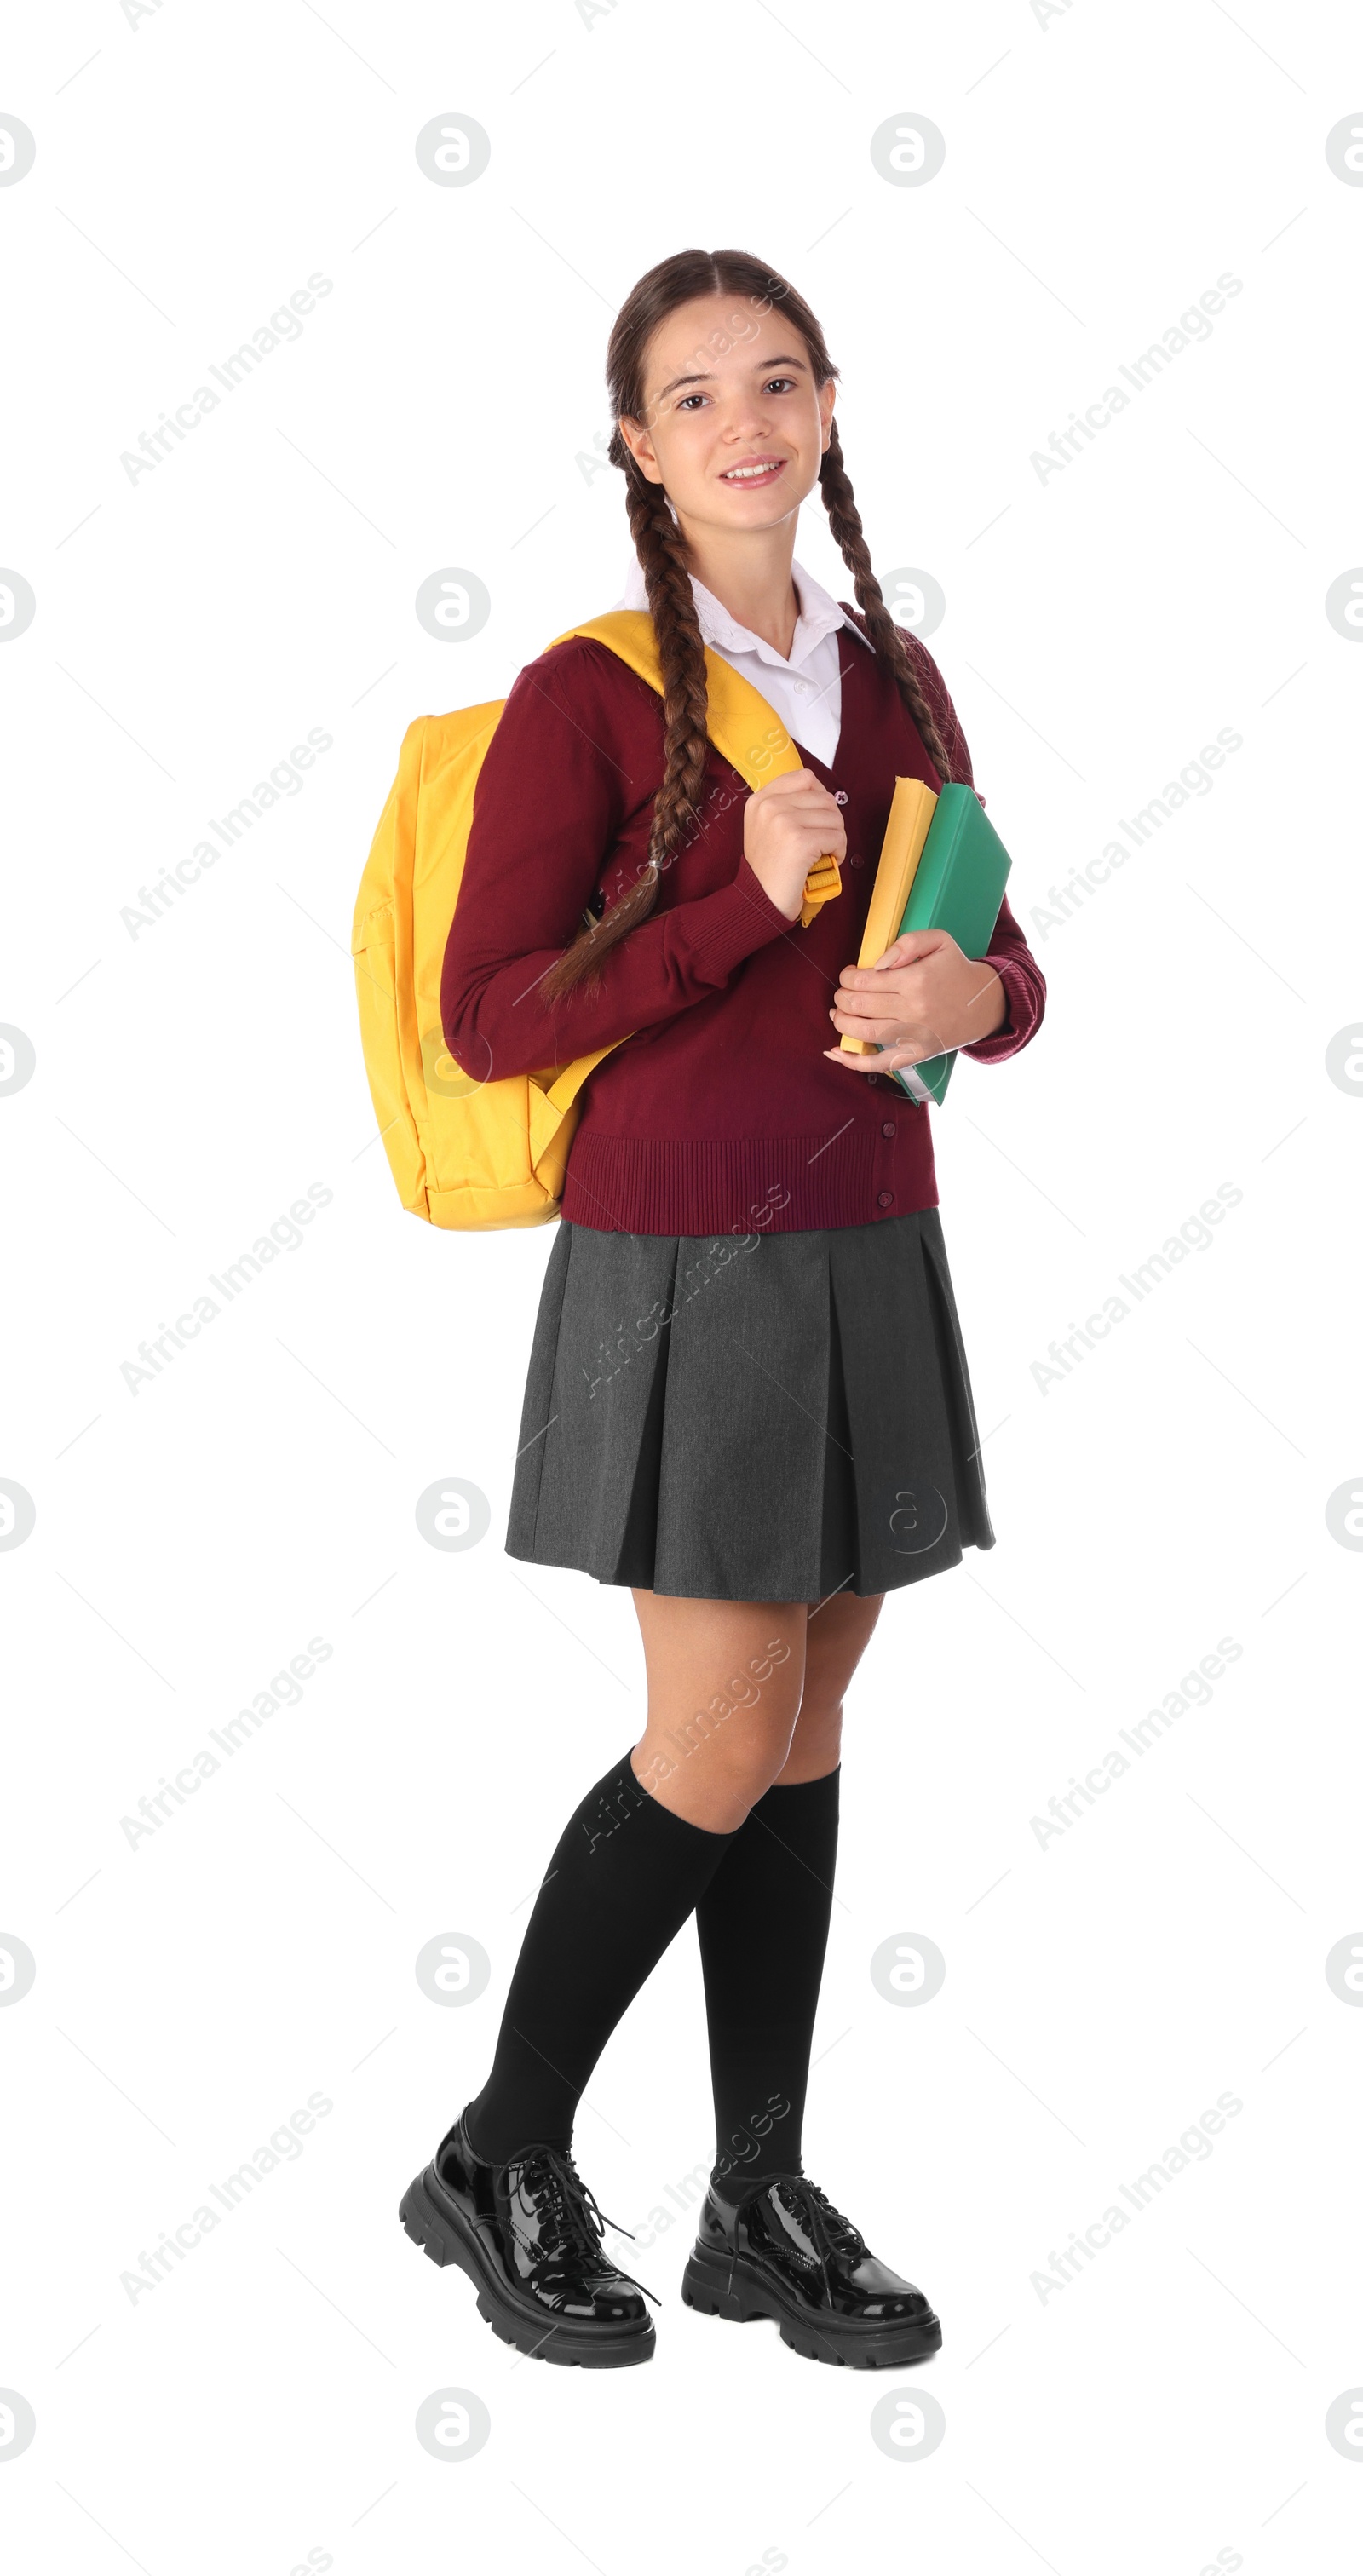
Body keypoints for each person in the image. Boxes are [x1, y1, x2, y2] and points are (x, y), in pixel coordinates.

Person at [397, 246, 1045, 2371]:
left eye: (776, 383)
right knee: (716, 1729)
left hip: (871, 1231)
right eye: (691, 398)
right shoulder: (591, 692)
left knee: (815, 1715)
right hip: (686, 1258)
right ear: (632, 445)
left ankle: (752, 2195)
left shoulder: (899, 674)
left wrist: (977, 996)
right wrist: (717, 908)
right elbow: (490, 1017)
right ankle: (500, 2153)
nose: (742, 423)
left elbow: (1001, 960)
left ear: (830, 408)